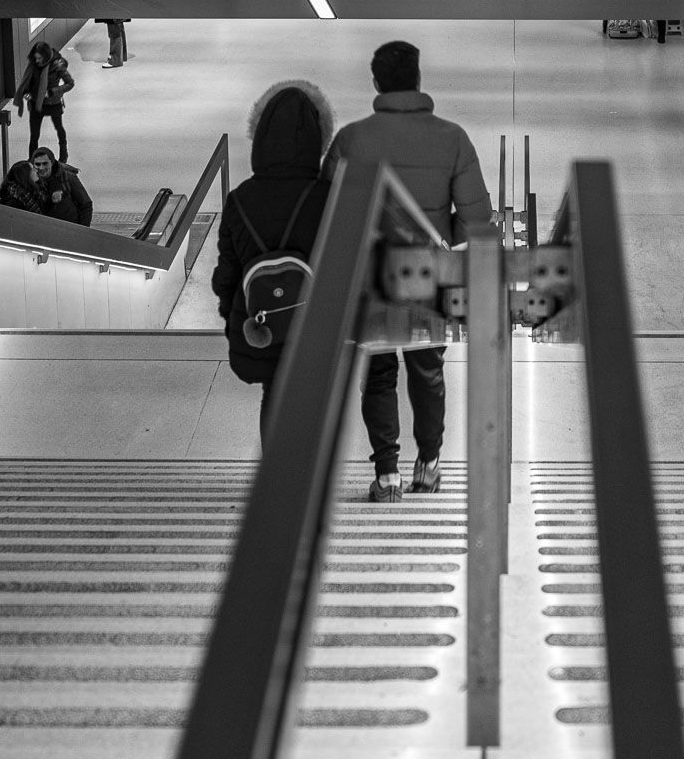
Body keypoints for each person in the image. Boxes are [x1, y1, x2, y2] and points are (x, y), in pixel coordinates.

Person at [326, 41, 493, 503]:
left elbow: (329, 208)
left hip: (372, 276)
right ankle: (429, 466)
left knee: (379, 371)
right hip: (427, 274)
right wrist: (440, 235)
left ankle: (387, 476)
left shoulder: (351, 139)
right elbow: (478, 219)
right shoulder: (453, 138)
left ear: (376, 83)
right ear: (418, 80)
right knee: (428, 369)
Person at [211, 82, 335, 442]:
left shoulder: (240, 200)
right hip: (314, 329)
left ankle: (276, 466)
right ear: (318, 140)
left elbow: (226, 277)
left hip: (261, 326)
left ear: (260, 138)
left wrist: (233, 317)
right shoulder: (329, 198)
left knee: (273, 394)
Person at [0, 147, 93, 224]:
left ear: (52, 163)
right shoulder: (28, 190)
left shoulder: (66, 178)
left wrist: (83, 231)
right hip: (49, 232)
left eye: (45, 164)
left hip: (69, 230)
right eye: (37, 165)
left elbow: (86, 204)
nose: (40, 168)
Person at [13, 40, 75, 162]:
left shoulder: (57, 64)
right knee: (34, 135)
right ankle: (32, 159)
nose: (37, 61)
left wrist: (53, 91)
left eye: (39, 58)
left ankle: (63, 154)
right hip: (36, 103)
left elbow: (70, 83)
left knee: (59, 128)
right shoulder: (33, 64)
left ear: (46, 57)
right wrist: (26, 93)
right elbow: (28, 81)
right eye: (35, 58)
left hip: (53, 103)